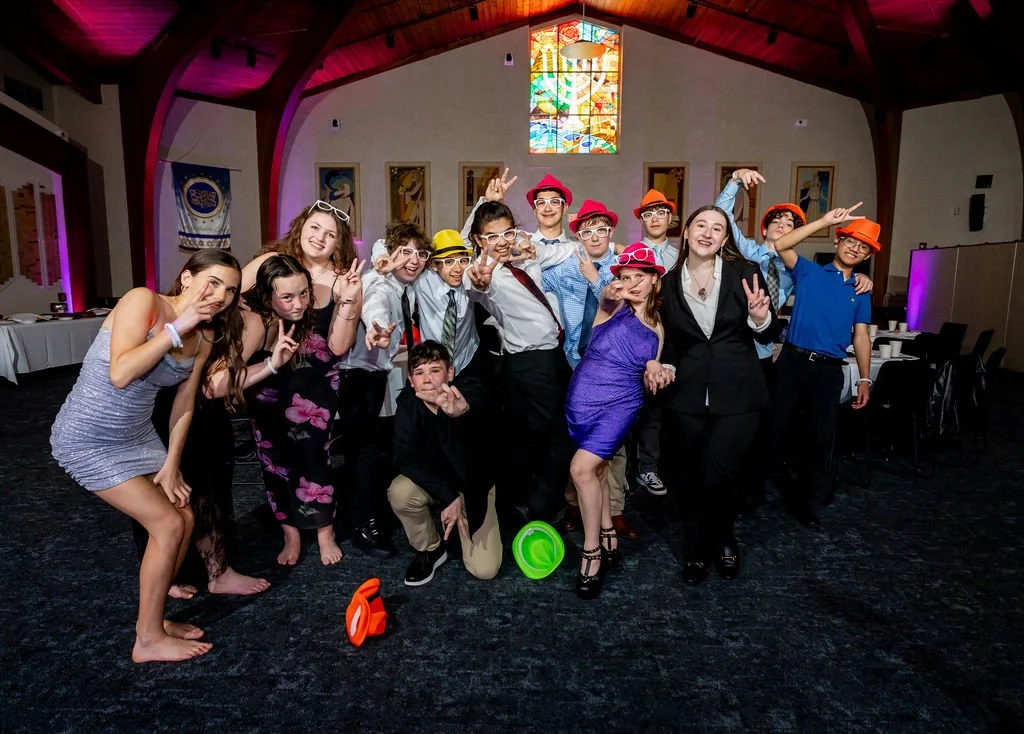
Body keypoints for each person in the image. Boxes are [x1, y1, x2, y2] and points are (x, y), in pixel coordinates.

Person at [51, 250, 245, 662]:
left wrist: (171, 461)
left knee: (186, 515)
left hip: (136, 435)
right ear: (187, 278)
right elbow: (120, 373)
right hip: (88, 436)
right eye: (212, 282)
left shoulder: (205, 334)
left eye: (230, 290)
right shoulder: (145, 302)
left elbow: (185, 401)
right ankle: (147, 640)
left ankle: (153, 620)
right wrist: (176, 329)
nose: (221, 296)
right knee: (168, 524)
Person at [650, 206, 780, 585]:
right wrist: (662, 364)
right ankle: (696, 546)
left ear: (726, 239)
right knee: (690, 474)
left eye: (718, 228)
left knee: (719, 470)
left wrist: (760, 316)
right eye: (701, 225)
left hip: (739, 391)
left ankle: (722, 537)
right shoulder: (667, 282)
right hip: (686, 394)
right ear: (687, 232)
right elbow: (669, 340)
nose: (708, 233)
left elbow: (766, 334)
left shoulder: (745, 274)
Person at [241, 201, 363, 566]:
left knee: (316, 461)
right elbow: (233, 297)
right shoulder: (272, 263)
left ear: (339, 242)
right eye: (314, 228)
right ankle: (290, 536)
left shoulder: (344, 278)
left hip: (317, 387)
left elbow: (339, 346)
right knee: (273, 460)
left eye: (330, 234)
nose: (320, 238)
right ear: (301, 227)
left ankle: (324, 532)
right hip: (268, 378)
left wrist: (350, 300)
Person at [463, 201, 577, 524]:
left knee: (536, 435)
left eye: (507, 232)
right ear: (479, 240)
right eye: (492, 236)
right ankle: (534, 507)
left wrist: (533, 252)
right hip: (529, 364)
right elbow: (474, 285)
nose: (501, 241)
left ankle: (526, 504)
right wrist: (480, 281)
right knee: (560, 435)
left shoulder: (522, 260)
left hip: (553, 356)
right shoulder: (487, 275)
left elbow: (561, 251)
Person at [566, 243, 668, 599]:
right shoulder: (611, 307)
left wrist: (657, 366)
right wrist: (610, 290)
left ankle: (591, 551)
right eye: (626, 277)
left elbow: (652, 364)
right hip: (582, 399)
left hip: (620, 405)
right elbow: (607, 297)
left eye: (640, 276)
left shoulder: (657, 327)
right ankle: (609, 534)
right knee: (595, 471)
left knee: (581, 470)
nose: (632, 283)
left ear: (654, 280)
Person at [769, 203, 877, 528]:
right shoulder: (808, 271)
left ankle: (804, 503)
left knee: (818, 440)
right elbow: (781, 244)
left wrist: (865, 379)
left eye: (863, 246)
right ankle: (751, 493)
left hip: (829, 371)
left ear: (867, 255)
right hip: (792, 362)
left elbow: (861, 337)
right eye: (850, 241)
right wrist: (824, 221)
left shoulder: (861, 290)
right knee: (773, 431)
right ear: (838, 242)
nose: (855, 248)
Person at [541, 199, 639, 540]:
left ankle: (614, 510)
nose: (594, 236)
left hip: (614, 368)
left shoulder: (623, 266)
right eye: (587, 230)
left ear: (611, 233)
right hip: (575, 361)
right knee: (577, 436)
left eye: (600, 229)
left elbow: (624, 307)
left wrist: (596, 279)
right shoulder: (566, 266)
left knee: (615, 442)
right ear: (578, 235)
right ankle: (575, 504)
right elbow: (533, 277)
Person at [335, 221, 428, 557]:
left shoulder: (406, 285)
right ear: (390, 253)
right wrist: (376, 328)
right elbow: (375, 303)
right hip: (358, 377)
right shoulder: (379, 282)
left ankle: (374, 511)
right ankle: (360, 523)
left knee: (378, 450)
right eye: (406, 252)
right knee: (362, 454)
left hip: (379, 376)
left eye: (420, 253)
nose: (414, 260)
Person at [388, 341, 501, 586]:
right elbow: (403, 457)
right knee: (400, 492)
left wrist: (460, 413)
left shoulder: (467, 392)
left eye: (435, 370)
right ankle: (431, 548)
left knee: (485, 569)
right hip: (439, 485)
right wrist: (448, 496)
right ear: (410, 379)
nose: (427, 379)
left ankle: (469, 528)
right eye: (419, 372)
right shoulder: (408, 403)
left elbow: (478, 403)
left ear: (450, 372)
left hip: (473, 486)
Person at [630, 189, 682, 498]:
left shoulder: (680, 256)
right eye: (648, 213)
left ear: (670, 218)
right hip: (636, 334)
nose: (654, 218)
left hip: (670, 336)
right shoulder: (632, 252)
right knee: (629, 407)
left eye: (660, 212)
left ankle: (649, 468)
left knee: (656, 409)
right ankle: (622, 474)